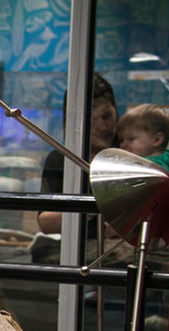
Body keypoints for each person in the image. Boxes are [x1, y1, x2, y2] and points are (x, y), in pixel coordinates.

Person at [37, 73, 118, 234]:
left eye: (106, 116)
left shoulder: (131, 153)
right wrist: (85, 208)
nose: (102, 127)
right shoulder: (61, 159)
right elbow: (46, 223)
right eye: (92, 121)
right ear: (75, 123)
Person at [117, 104, 169, 185]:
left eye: (131, 139)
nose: (123, 146)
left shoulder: (146, 167)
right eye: (122, 140)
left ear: (157, 140)